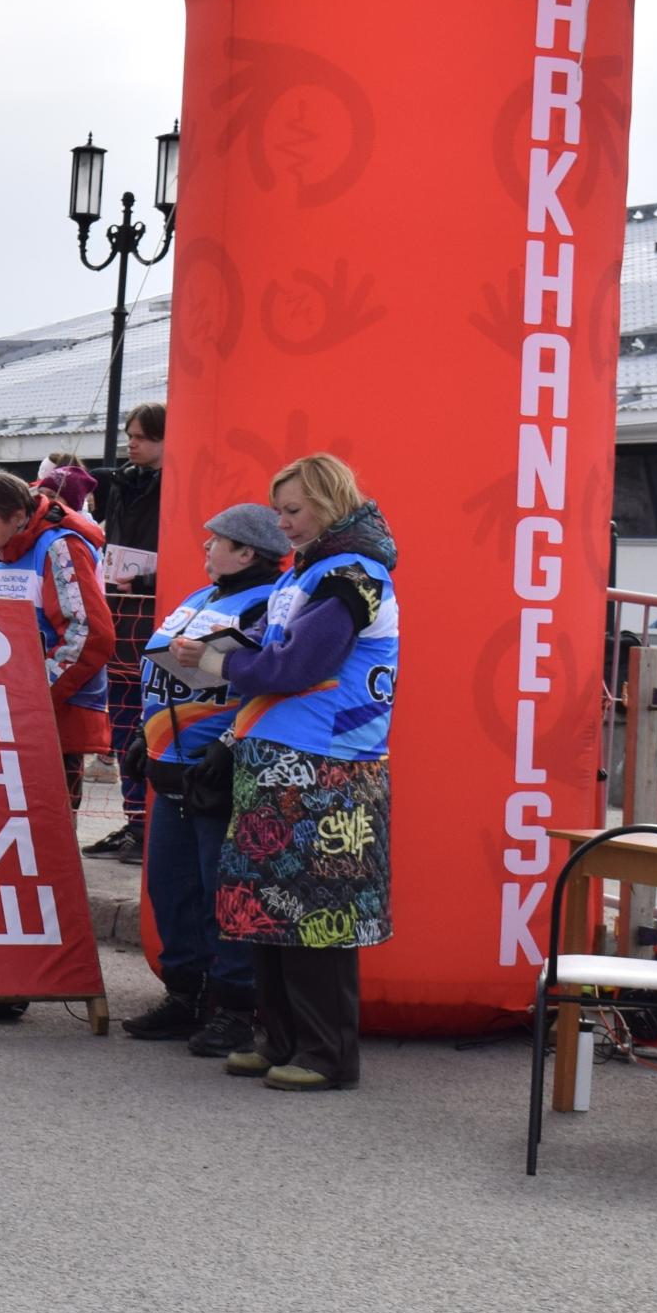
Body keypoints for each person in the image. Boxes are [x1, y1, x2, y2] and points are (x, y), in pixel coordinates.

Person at [180, 453, 398, 1093]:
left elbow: (295, 666)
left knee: (320, 911)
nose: (284, 524)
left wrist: (215, 665)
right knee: (268, 903)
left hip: (330, 764)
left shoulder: (353, 575)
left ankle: (327, 1053)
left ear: (332, 504)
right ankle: (277, 1037)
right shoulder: (309, 571)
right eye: (279, 511)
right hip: (278, 757)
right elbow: (275, 656)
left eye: (295, 511)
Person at [126, 502, 286, 1057]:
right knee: (172, 889)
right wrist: (140, 736)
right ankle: (184, 995)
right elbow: (166, 675)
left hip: (219, 769)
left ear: (247, 551)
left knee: (227, 891)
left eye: (215, 541)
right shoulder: (202, 598)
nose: (205, 548)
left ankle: (236, 1008)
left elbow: (269, 686)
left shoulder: (268, 602)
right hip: (171, 765)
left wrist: (228, 745)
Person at [0, 468, 116, 798]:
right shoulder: (3, 551)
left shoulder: (61, 548)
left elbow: (88, 634)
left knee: (48, 821)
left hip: (53, 713)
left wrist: (35, 695)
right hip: (5, 708)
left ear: (17, 516)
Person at [87, 404, 166, 863]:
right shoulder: (123, 484)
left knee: (149, 725)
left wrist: (148, 582)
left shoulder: (179, 485)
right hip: (121, 615)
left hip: (155, 614)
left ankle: (151, 824)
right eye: (129, 435)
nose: (131, 443)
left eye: (141, 436)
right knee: (122, 725)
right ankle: (135, 819)